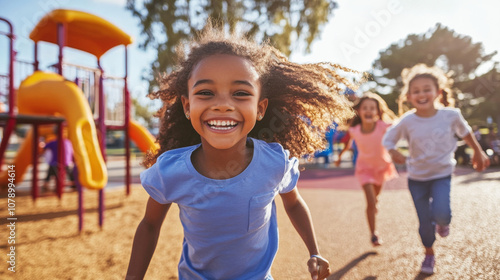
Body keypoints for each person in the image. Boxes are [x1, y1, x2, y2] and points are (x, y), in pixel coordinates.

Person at [125, 24, 358, 280]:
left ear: (260, 108)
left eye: (240, 93)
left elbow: (293, 204)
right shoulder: (170, 171)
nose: (223, 104)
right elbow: (149, 225)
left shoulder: (274, 162)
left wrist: (314, 251)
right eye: (205, 92)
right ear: (187, 105)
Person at [382, 64, 490, 275]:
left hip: (441, 175)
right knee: (424, 223)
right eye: (416, 91)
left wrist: (478, 152)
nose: (421, 94)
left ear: (438, 92)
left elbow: (466, 133)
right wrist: (393, 152)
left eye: (426, 89)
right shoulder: (407, 121)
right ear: (409, 96)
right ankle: (429, 254)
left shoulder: (451, 115)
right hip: (417, 178)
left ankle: (442, 222)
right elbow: (388, 139)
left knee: (442, 214)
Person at [334, 92, 398, 246]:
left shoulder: (382, 126)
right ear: (359, 111)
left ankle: (375, 204)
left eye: (372, 108)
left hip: (381, 167)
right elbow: (348, 143)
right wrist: (340, 157)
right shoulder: (355, 129)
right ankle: (373, 234)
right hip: (364, 169)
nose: (368, 111)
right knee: (370, 202)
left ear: (378, 112)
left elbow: (399, 127)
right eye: (365, 108)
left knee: (375, 199)